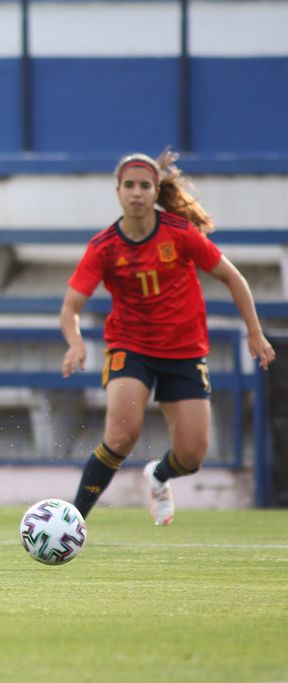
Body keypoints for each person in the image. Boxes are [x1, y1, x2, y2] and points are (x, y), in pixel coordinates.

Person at [60, 149, 275, 525]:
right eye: (129, 185)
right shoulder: (104, 247)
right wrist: (76, 342)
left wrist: (255, 333)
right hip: (131, 347)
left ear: (157, 191)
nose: (137, 193)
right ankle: (73, 521)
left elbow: (233, 278)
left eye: (145, 186)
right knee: (121, 436)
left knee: (191, 456)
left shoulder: (180, 234)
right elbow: (70, 307)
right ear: (118, 191)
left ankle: (159, 476)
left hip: (184, 351)